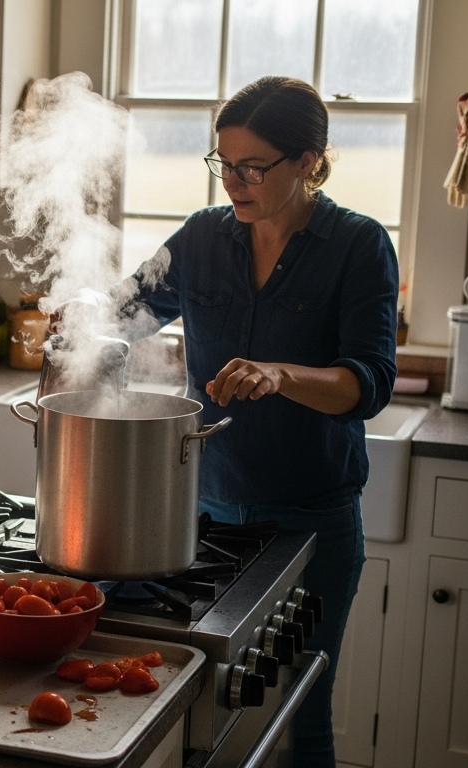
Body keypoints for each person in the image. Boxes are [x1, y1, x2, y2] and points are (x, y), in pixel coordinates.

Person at [120, 76, 397, 768]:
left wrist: (281, 374)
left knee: (298, 716)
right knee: (196, 712)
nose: (233, 183)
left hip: (311, 524)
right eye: (223, 165)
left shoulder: (358, 246)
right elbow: (125, 313)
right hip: (204, 518)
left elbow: (369, 384)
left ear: (308, 161)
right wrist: (81, 316)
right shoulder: (203, 237)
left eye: (252, 168)